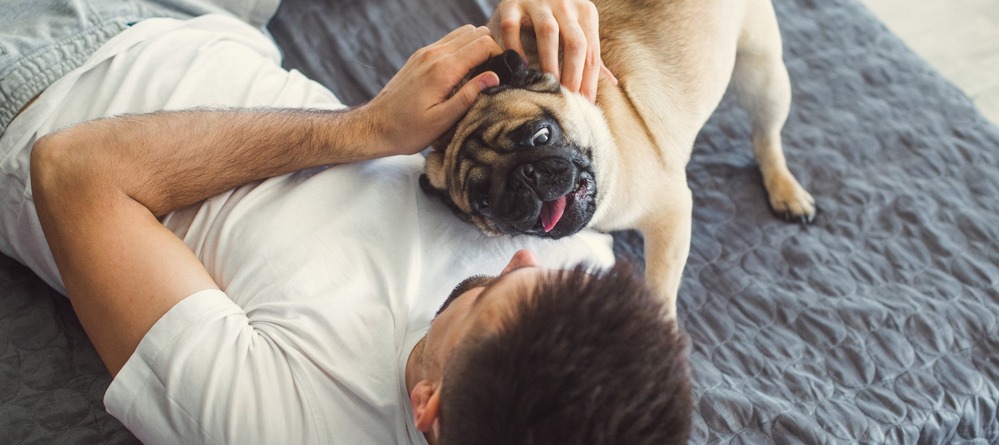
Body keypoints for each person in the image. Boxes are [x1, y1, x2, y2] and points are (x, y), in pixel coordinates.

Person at [1, 0, 691, 443]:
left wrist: (361, 131)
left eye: (489, 293)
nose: (519, 257)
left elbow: (75, 173)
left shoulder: (286, 421)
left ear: (427, 403)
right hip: (226, 29)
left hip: (47, 71)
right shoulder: (580, 307)